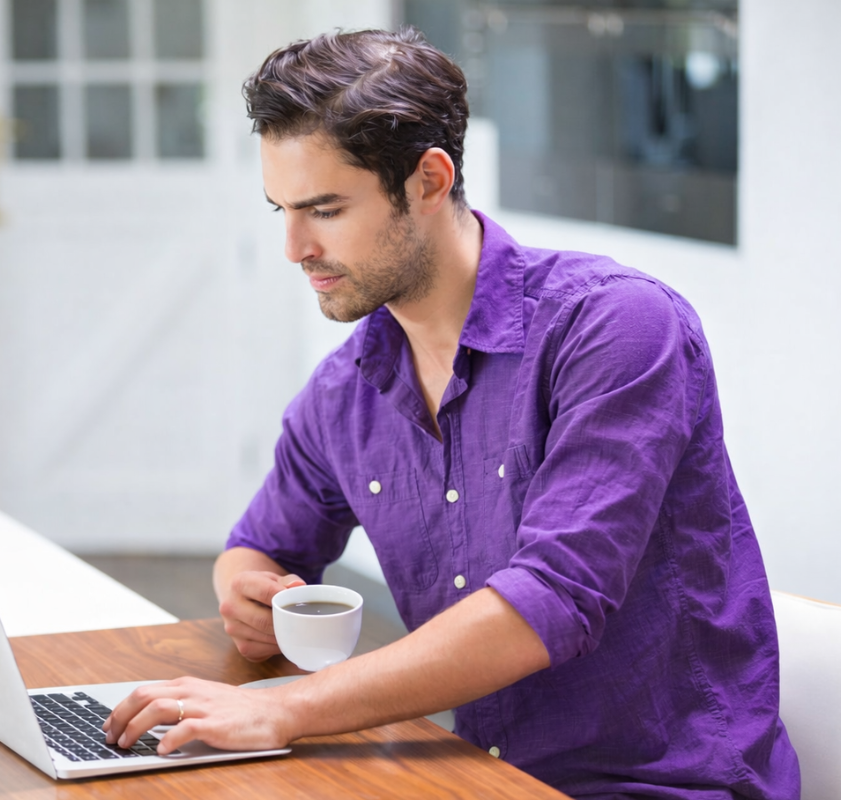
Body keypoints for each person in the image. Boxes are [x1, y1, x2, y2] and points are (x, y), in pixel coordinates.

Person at [103, 28, 799, 799]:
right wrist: (248, 594)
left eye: (325, 209)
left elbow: (553, 598)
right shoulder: (345, 392)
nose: (295, 247)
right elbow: (259, 547)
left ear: (429, 181)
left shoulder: (617, 329)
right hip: (479, 776)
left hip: (660, 786)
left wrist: (285, 708)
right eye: (282, 210)